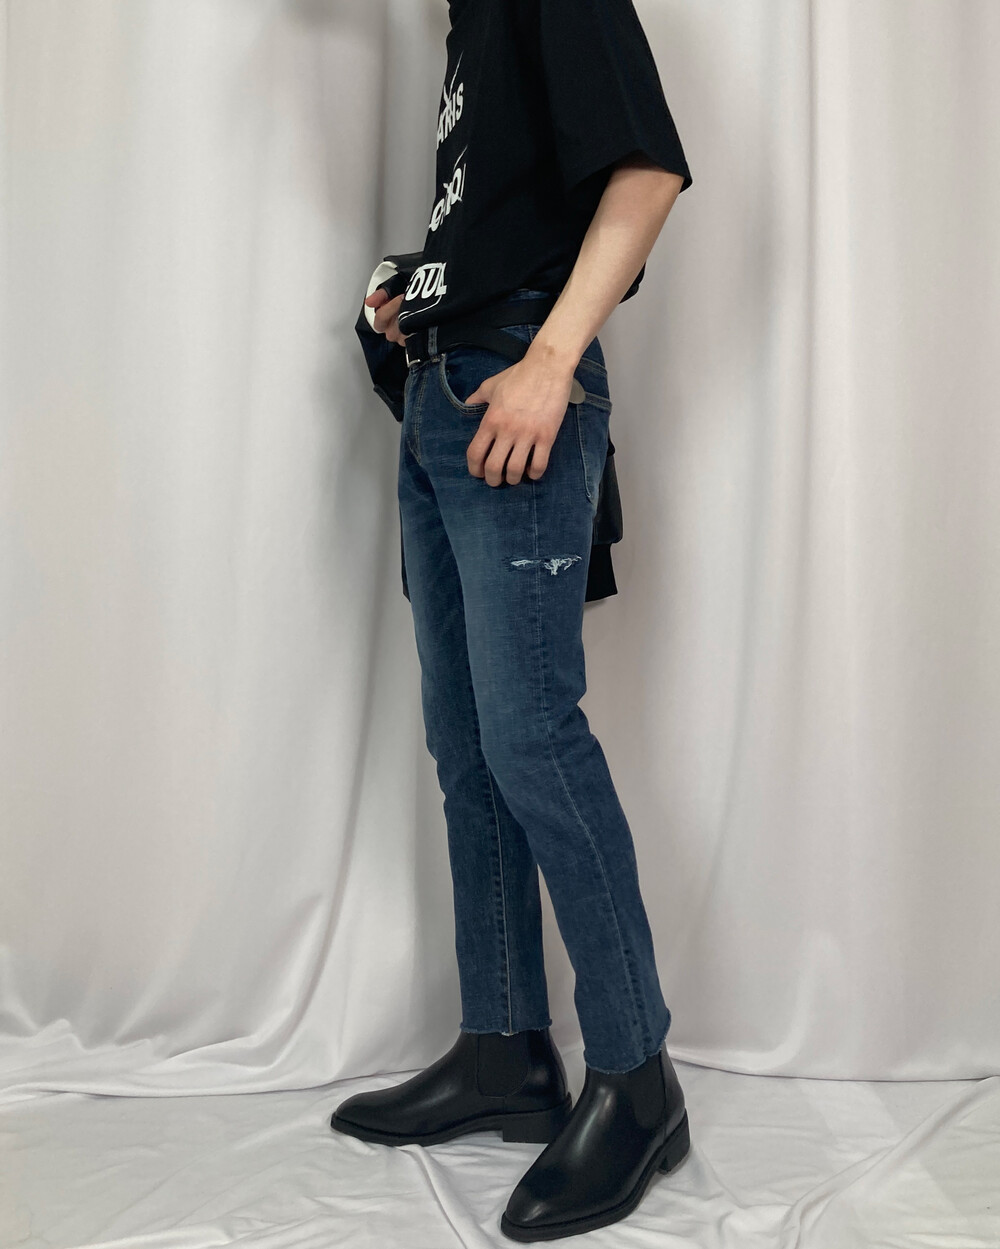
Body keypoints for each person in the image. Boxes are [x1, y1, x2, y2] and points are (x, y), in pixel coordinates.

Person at [333, 0, 694, 1239]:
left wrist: (546, 360)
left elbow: (646, 171)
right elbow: (513, 222)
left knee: (534, 738)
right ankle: (503, 1049)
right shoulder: (471, 26)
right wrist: (416, 292)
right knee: (468, 748)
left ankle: (637, 1078)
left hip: (512, 397)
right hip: (444, 392)